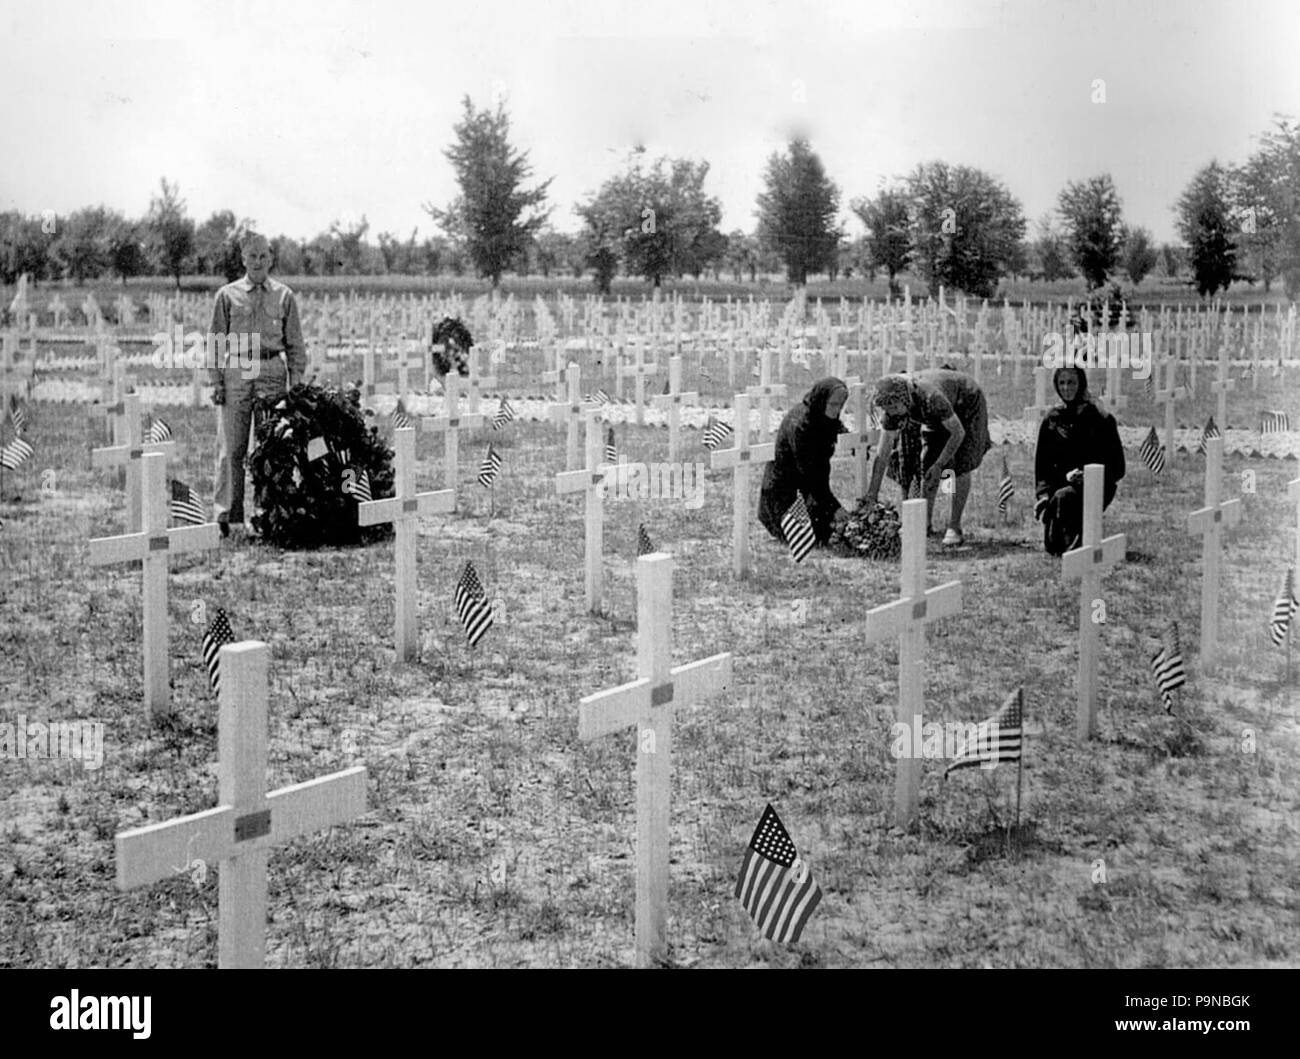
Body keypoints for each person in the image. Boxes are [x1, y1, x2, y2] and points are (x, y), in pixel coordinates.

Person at [209, 233, 305, 539]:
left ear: (271, 258)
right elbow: (215, 342)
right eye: (252, 256)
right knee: (232, 447)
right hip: (238, 368)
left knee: (270, 448)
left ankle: (267, 513)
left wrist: (296, 382)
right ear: (243, 259)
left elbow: (295, 345)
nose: (258, 262)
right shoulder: (227, 295)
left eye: (263, 255)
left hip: (271, 370)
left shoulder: (284, 296)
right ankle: (228, 515)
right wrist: (216, 380)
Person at [865, 367, 992, 545]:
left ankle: (954, 526)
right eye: (888, 409)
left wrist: (940, 465)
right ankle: (924, 523)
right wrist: (872, 493)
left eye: (894, 407)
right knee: (927, 466)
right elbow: (883, 453)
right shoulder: (892, 407)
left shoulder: (931, 398)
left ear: (903, 398)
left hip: (966, 403)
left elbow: (958, 433)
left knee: (960, 466)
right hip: (938, 415)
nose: (892, 412)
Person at [1033, 366, 1125, 556]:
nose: (1067, 388)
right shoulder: (1052, 418)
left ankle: (1079, 540)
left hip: (1095, 485)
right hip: (1058, 486)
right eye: (1062, 383)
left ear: (1081, 383)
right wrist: (1043, 495)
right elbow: (1043, 464)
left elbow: (1117, 465)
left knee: (1064, 498)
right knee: (1054, 546)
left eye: (1072, 382)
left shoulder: (1100, 418)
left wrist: (1088, 475)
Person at [758, 377, 851, 546]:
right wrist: (834, 507)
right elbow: (810, 475)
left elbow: (835, 424)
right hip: (784, 490)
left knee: (832, 532)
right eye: (833, 405)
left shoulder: (820, 413)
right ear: (822, 399)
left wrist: (849, 438)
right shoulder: (801, 425)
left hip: (809, 490)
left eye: (841, 405)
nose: (837, 410)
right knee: (806, 538)